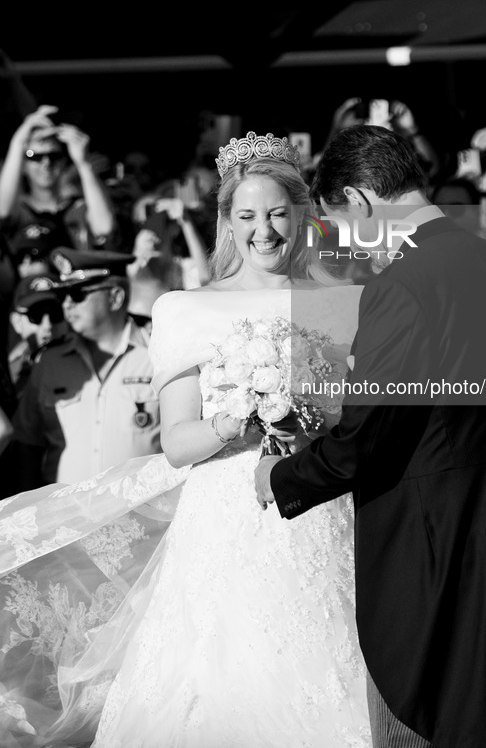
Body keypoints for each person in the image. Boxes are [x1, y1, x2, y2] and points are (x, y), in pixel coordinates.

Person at [0, 132, 370, 748]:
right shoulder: (185, 309)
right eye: (248, 216)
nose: (265, 231)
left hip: (323, 510)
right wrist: (243, 417)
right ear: (227, 222)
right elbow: (176, 442)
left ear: (301, 215)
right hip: (227, 521)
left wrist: (309, 416)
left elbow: (361, 421)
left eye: (278, 213)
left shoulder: (350, 303)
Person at [255, 124, 486, 748]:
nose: (352, 246)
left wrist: (281, 476)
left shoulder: (401, 284)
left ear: (358, 201)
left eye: (343, 226)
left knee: (450, 722)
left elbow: (368, 437)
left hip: (443, 546)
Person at [10, 248, 161, 486]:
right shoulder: (49, 363)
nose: (67, 304)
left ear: (115, 297)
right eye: (64, 295)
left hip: (140, 516)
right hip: (66, 518)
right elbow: (28, 445)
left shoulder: (157, 354)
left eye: (77, 293)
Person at [0, 105, 117, 259]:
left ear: (63, 162)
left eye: (53, 156)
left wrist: (83, 163)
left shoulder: (77, 208)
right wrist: (18, 142)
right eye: (35, 156)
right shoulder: (19, 211)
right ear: (23, 165)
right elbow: (2, 211)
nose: (46, 163)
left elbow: (105, 227)